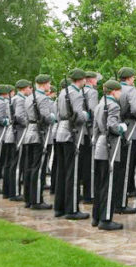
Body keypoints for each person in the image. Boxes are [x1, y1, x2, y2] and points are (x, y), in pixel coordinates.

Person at [55, 69, 90, 220]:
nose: (85, 81)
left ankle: (60, 207)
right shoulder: (75, 93)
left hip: (61, 132)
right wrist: (86, 115)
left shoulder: (63, 92)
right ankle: (72, 209)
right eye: (84, 79)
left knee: (62, 172)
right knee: (72, 173)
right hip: (72, 133)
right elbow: (77, 115)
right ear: (80, 80)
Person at [92, 79, 126, 230]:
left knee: (100, 183)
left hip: (100, 144)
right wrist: (121, 128)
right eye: (119, 91)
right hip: (109, 146)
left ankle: (96, 216)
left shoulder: (100, 105)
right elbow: (112, 126)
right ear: (113, 92)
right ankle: (106, 219)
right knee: (109, 184)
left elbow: (95, 128)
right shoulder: (113, 106)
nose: (120, 93)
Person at [21, 75, 55, 210]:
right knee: (38, 168)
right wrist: (53, 117)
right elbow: (46, 117)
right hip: (39, 135)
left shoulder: (29, 98)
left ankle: (28, 199)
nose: (49, 86)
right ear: (44, 84)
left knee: (29, 168)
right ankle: (36, 200)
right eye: (49, 83)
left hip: (29, 133)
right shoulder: (43, 98)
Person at [117, 67, 136, 213]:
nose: (134, 79)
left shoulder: (116, 88)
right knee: (126, 169)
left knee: (121, 166)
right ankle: (121, 203)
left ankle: (118, 200)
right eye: (133, 77)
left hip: (120, 128)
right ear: (129, 78)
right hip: (131, 129)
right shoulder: (131, 90)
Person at [80, 71, 100, 203]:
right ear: (91, 80)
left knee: (84, 163)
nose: (97, 82)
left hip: (81, 131)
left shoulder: (80, 91)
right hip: (89, 130)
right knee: (90, 165)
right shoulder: (92, 92)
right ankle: (90, 194)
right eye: (96, 79)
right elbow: (94, 111)